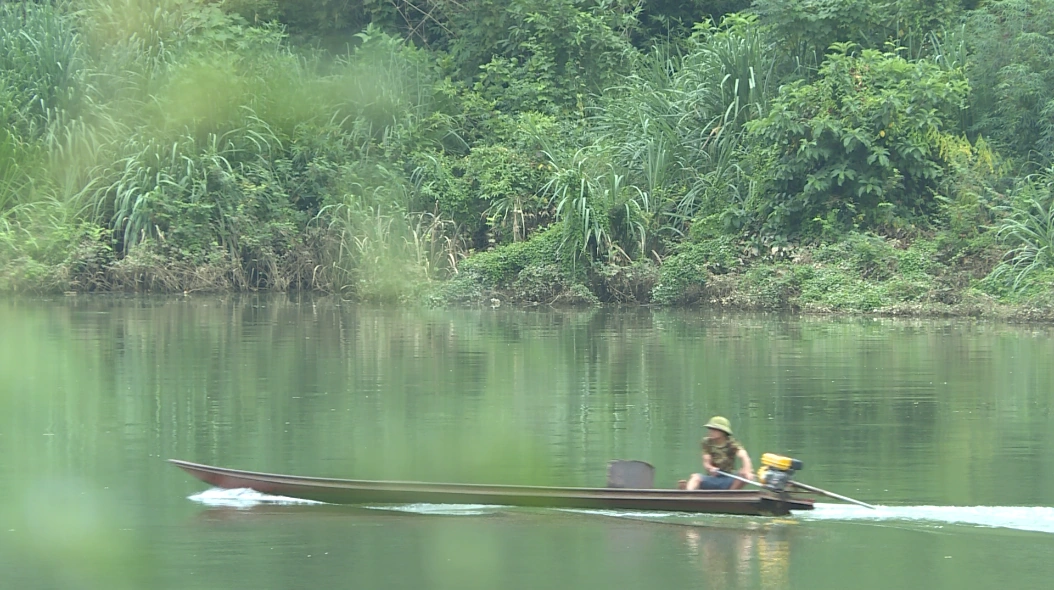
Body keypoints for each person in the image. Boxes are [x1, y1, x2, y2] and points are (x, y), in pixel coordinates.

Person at [683, 416, 754, 490]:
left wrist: (747, 470)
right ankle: (688, 495)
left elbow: (744, 456)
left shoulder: (731, 443)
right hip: (713, 478)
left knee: (743, 475)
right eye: (710, 429)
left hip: (728, 479)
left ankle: (729, 496)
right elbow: (706, 462)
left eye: (714, 430)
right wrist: (710, 468)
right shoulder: (706, 442)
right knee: (695, 477)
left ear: (722, 432)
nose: (711, 432)